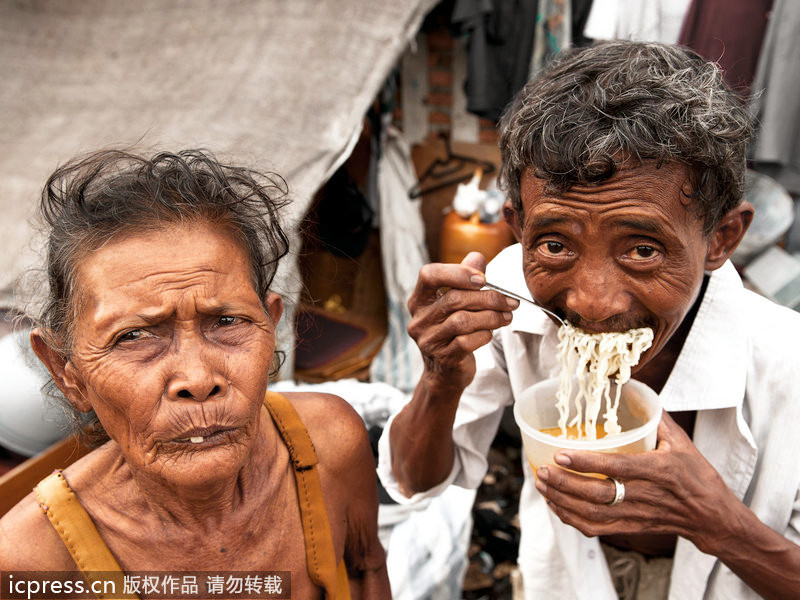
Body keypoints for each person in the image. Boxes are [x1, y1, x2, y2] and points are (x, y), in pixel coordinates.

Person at [378, 40, 800, 599]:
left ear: (722, 238)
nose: (593, 303)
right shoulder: (503, 300)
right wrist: (438, 379)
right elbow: (415, 482)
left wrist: (717, 523)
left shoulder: (786, 366)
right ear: (517, 225)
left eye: (643, 250)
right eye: (554, 244)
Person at [0, 149, 391, 600]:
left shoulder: (329, 441)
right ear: (66, 371)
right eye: (134, 336)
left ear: (271, 326)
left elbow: (367, 570)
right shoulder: (33, 560)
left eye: (227, 322)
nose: (198, 377)